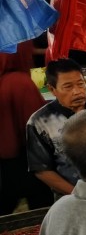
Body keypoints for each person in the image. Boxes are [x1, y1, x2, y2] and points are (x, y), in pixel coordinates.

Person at [26, 58, 86, 198]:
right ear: (52, 89)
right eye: (68, 87)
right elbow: (41, 169)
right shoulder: (40, 122)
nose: (77, 91)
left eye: (81, 84)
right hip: (72, 198)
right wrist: (79, 194)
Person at [0, 41, 52, 214]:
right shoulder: (20, 82)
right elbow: (39, 126)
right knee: (40, 212)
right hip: (24, 163)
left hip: (6, 165)